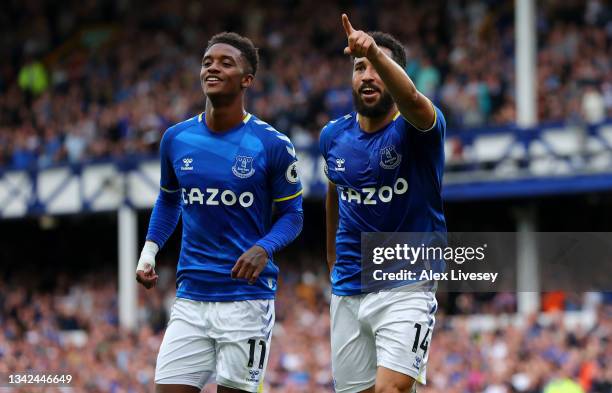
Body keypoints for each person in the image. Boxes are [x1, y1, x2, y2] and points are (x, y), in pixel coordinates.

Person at [136, 32, 303, 393]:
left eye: (226, 62)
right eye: (208, 61)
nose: (213, 66)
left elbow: (293, 215)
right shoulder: (175, 138)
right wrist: (150, 250)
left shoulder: (272, 144)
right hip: (190, 297)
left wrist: (265, 247)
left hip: (246, 300)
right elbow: (169, 199)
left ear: (247, 80)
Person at [319, 15, 447, 393]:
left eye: (377, 68)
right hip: (348, 288)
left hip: (407, 283)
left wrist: (372, 49)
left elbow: (410, 98)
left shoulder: (420, 127)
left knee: (390, 389)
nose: (367, 75)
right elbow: (334, 191)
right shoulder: (333, 136)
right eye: (360, 68)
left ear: (395, 75)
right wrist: (331, 257)